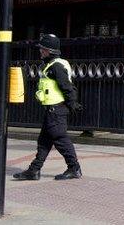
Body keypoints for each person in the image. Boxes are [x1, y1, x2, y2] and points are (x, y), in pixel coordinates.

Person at [13, 34, 83, 181]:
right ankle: (34, 170)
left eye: (43, 49)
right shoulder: (51, 65)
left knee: (60, 139)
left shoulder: (57, 66)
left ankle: (74, 168)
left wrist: (72, 104)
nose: (41, 51)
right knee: (44, 141)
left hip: (57, 110)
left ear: (50, 51)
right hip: (52, 110)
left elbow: (67, 87)